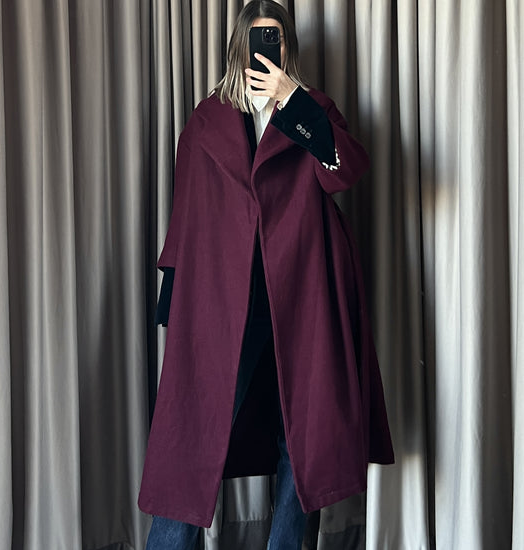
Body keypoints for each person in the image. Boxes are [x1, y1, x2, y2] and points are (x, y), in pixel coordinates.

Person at [138, 1, 394, 548]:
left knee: (301, 442)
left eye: (274, 39)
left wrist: (290, 99)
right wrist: (174, 292)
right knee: (191, 441)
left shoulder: (311, 109)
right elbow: (188, 211)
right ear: (240, 46)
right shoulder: (208, 118)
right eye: (257, 39)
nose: (265, 50)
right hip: (224, 300)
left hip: (302, 295)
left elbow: (346, 169)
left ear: (287, 48)